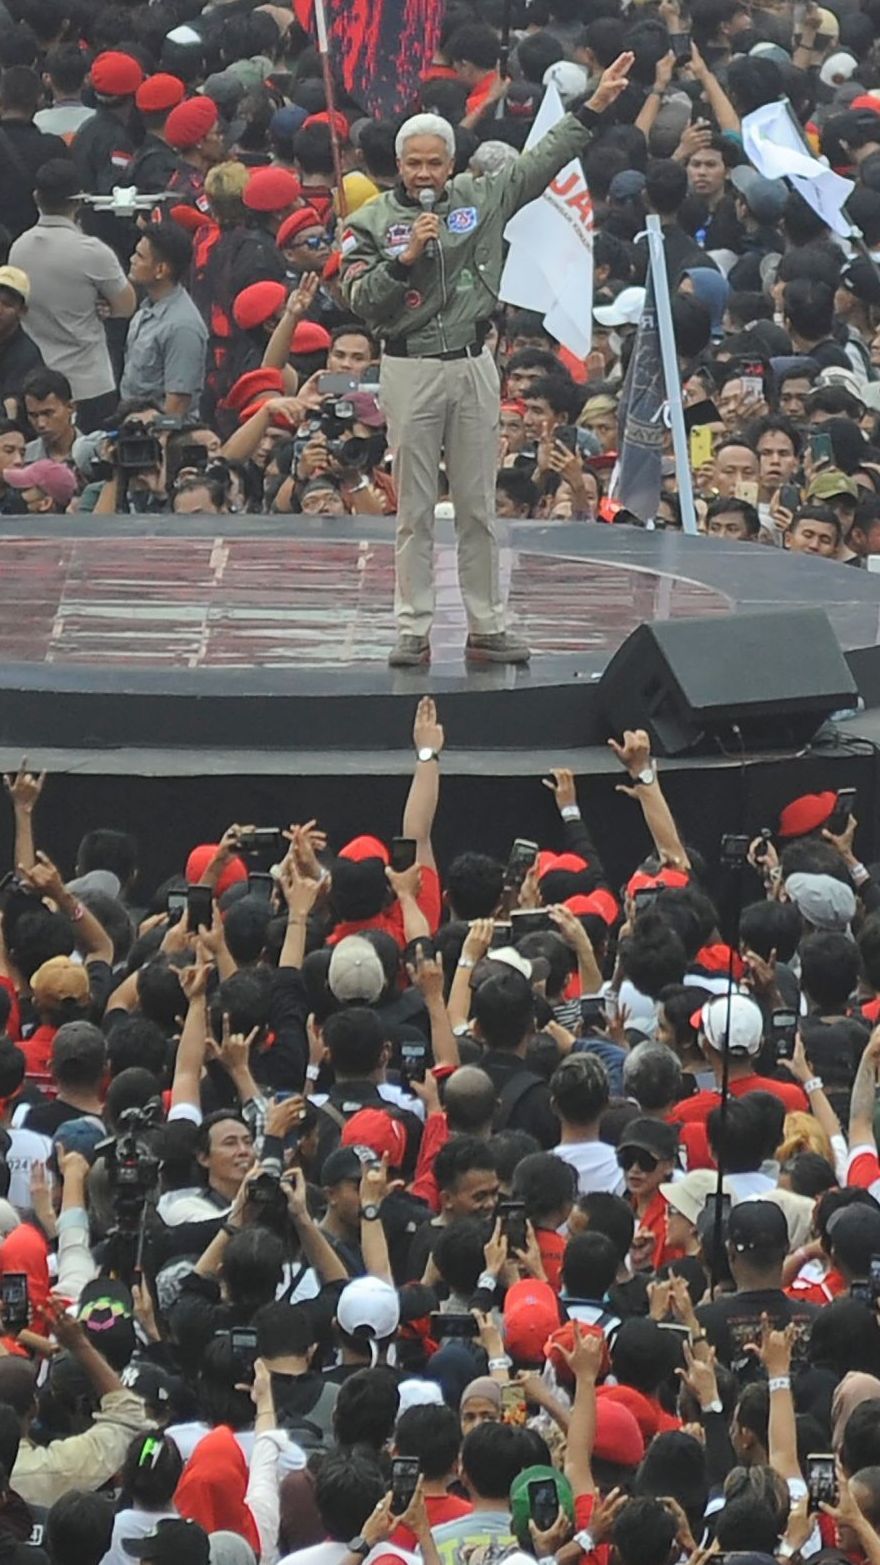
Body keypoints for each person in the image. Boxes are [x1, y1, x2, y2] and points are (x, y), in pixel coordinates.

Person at [340, 53, 634, 668]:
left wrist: (597, 103)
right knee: (415, 510)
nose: (424, 174)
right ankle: (412, 628)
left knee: (477, 503)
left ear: (452, 164)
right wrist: (405, 260)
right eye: (413, 163)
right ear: (399, 166)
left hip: (474, 363)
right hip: (410, 365)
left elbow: (544, 157)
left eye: (434, 163)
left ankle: (488, 623)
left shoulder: (485, 194)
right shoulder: (369, 222)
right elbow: (361, 302)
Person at [9, 160, 135, 432]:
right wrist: (105, 306)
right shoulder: (92, 252)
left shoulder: (18, 250)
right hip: (89, 383)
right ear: (79, 201)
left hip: (37, 383)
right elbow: (126, 305)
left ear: (36, 198)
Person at [120, 225, 208, 417]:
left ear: (161, 270)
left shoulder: (182, 327)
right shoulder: (147, 309)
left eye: (140, 256)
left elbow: (177, 405)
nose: (132, 260)